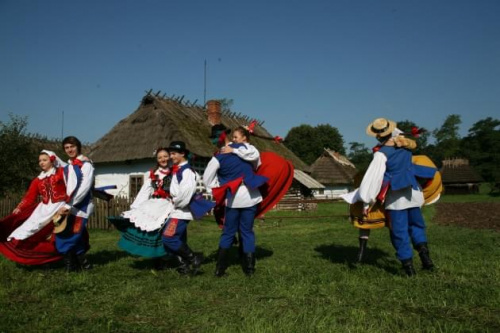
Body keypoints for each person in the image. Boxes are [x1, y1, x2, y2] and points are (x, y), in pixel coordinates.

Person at [341, 118, 437, 276]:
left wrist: (365, 199)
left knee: (399, 232)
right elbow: (401, 136)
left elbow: (373, 179)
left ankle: (409, 269)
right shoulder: (405, 144)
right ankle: (426, 260)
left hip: (396, 197)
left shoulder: (381, 154)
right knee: (417, 226)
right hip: (413, 192)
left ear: (377, 135)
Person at [203, 127, 269, 277]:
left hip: (232, 198)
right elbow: (257, 162)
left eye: (236, 136)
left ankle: (219, 269)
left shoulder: (218, 156)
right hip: (249, 196)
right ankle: (249, 270)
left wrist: (219, 188)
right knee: (247, 232)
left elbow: (207, 179)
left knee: (228, 233)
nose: (233, 139)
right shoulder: (249, 150)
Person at [0, 150, 81, 266]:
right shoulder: (38, 180)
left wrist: (69, 204)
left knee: (59, 234)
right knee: (27, 231)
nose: (41, 163)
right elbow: (29, 197)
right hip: (43, 209)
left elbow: (72, 186)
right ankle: (42, 258)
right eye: (39, 161)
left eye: (44, 160)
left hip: (60, 207)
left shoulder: (62, 173)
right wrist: (19, 208)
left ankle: (68, 258)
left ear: (52, 160)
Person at [109, 147, 175, 268]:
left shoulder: (175, 173)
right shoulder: (153, 174)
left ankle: (168, 257)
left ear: (169, 156)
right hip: (155, 206)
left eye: (165, 156)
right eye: (160, 157)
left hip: (169, 206)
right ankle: (158, 259)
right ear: (157, 159)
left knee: (167, 232)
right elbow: (145, 191)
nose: (163, 159)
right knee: (153, 232)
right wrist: (135, 207)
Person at [161, 141, 206, 275]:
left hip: (181, 211)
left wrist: (175, 202)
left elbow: (186, 193)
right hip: (177, 210)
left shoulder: (186, 171)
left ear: (183, 153)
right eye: (170, 154)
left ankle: (193, 258)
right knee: (179, 239)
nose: (171, 156)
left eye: (174, 153)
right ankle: (184, 266)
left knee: (168, 237)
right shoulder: (178, 170)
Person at [57, 136, 95, 272]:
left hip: (82, 207)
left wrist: (69, 205)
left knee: (71, 235)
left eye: (72, 146)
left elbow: (84, 188)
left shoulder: (86, 165)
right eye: (66, 147)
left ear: (78, 146)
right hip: (69, 206)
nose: (69, 149)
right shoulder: (68, 167)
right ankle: (83, 264)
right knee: (72, 235)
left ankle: (71, 266)